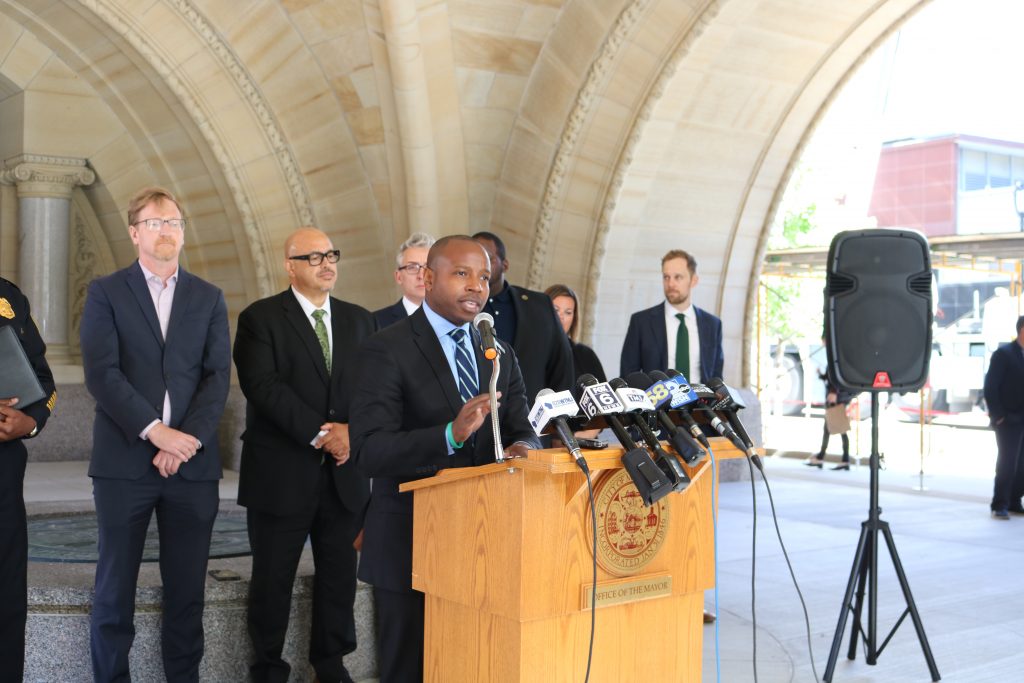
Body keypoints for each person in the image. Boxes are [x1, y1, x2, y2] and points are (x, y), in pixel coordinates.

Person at [349, 235, 540, 683]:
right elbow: (369, 450)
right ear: (427, 278)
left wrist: (525, 449)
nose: (477, 287)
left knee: (473, 663)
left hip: (485, 541)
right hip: (411, 541)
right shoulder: (387, 349)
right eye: (462, 274)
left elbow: (523, 428)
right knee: (410, 668)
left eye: (484, 278)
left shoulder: (499, 354)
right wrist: (449, 435)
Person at [80, 187, 231, 682]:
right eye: (154, 222)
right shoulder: (106, 292)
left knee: (187, 591)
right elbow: (103, 374)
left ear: (183, 233)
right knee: (114, 588)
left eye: (174, 222)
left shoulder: (208, 297)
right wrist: (157, 433)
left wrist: (184, 440)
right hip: (125, 463)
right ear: (133, 232)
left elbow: (216, 378)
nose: (166, 231)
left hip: (192, 467)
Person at [233, 227, 375, 683]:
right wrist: (322, 434)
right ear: (289, 266)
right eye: (313, 257)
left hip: (343, 474)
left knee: (337, 577)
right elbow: (264, 388)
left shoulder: (360, 320)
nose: (326, 263)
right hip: (282, 474)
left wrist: (353, 432)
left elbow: (374, 389)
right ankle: (269, 668)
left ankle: (331, 664)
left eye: (331, 254)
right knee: (273, 579)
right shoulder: (261, 318)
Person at [0, 279, 56, 681]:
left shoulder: (8, 295)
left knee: (6, 605)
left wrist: (31, 422)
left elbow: (42, 379)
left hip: (2, 475)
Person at [472, 231, 574, 398]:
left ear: (505, 265)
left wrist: (558, 417)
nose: (479, 266)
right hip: (477, 415)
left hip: (531, 416)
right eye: (472, 259)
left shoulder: (540, 306)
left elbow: (562, 369)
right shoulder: (458, 308)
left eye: (488, 258)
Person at [619, 249, 724, 383]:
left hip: (701, 403)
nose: (670, 284)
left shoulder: (713, 325)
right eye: (666, 277)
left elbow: (716, 378)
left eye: (678, 277)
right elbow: (628, 376)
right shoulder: (641, 322)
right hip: (656, 402)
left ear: (693, 280)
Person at [984, 315, 1024, 520]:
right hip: (1008, 419)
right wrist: (998, 415)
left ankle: (1015, 501)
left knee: (1022, 463)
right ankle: (1000, 503)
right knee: (1007, 462)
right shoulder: (1004, 354)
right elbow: (990, 386)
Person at [545, 283, 606, 383]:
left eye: (568, 312)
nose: (561, 317)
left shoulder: (586, 355)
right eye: (555, 310)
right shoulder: (530, 350)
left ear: (574, 318)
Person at [374, 232, 436, 328]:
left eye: (428, 267)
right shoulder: (375, 322)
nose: (421, 275)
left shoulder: (457, 317)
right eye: (412, 267)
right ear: (398, 277)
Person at [805, 372, 854, 470]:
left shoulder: (834, 357)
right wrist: (822, 376)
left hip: (836, 399)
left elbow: (836, 375)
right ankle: (839, 459)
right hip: (837, 397)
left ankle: (824, 458)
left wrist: (833, 391)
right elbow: (830, 376)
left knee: (839, 429)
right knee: (835, 429)